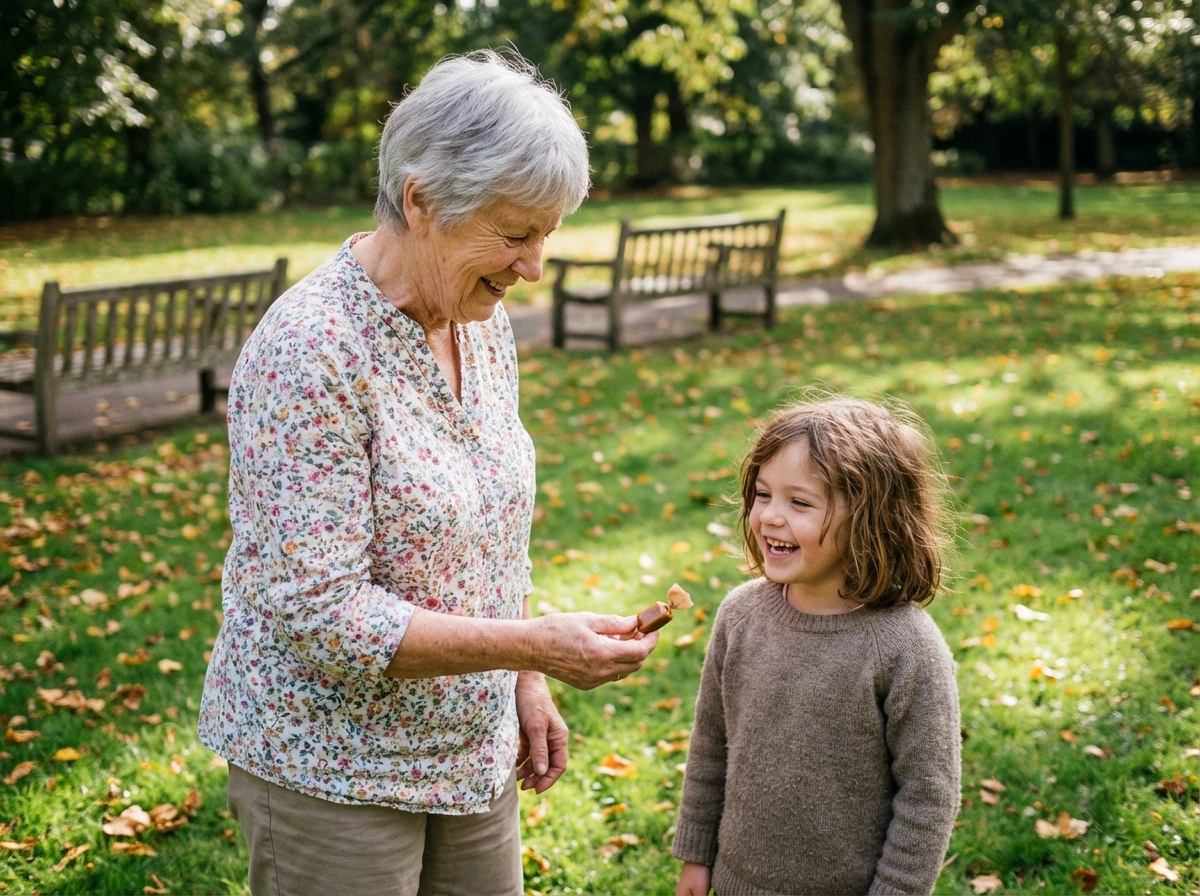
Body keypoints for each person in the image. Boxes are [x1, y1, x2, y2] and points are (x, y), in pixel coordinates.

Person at [198, 50, 659, 896]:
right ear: (421, 201)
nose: (533, 266)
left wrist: (524, 681)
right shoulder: (312, 350)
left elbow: (494, 524)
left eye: (546, 236)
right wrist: (536, 647)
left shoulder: (479, 319)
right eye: (516, 233)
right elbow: (323, 615)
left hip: (469, 751)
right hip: (332, 767)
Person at [672, 396, 962, 896]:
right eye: (762, 494)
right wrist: (696, 857)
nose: (770, 518)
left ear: (871, 519)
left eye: (799, 502)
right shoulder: (740, 616)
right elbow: (710, 745)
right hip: (736, 882)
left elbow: (927, 796)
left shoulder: (905, 647)